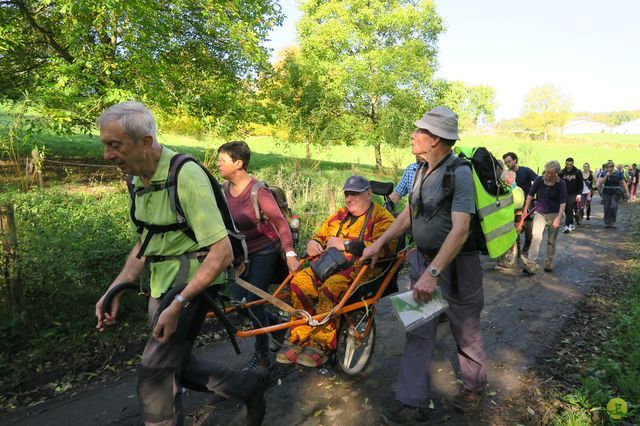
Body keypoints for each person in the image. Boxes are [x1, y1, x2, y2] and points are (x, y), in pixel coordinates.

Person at [94, 102, 268, 426]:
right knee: (178, 365)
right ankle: (248, 385)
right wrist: (114, 288)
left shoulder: (185, 175)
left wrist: (178, 303)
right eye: (105, 145)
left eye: (114, 145)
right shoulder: (135, 181)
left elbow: (222, 253)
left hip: (195, 282)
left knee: (154, 375)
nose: (106, 155)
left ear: (145, 142)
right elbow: (143, 244)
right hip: (160, 286)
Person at [362, 106, 488, 424]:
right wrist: (381, 242)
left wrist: (434, 273)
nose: (413, 135)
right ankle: (411, 401)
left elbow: (460, 229)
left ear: (434, 139)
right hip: (422, 261)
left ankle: (473, 387)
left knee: (466, 330)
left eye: (418, 131)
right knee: (418, 330)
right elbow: (408, 214)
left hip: (458, 268)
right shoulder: (419, 170)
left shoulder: (459, 174)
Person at [275, 175, 395, 367]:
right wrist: (313, 242)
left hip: (361, 269)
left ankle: (322, 344)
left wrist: (346, 244)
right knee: (299, 282)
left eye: (355, 194)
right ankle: (299, 336)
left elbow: (385, 247)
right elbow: (320, 236)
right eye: (347, 194)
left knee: (331, 288)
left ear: (369, 193)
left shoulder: (382, 217)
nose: (349, 199)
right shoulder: (339, 215)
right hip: (328, 265)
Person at [217, 140, 300, 370]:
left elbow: (281, 223)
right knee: (237, 304)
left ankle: (262, 356)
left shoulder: (258, 192)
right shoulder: (223, 191)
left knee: (253, 303)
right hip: (240, 255)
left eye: (222, 161)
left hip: (265, 250)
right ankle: (278, 326)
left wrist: (290, 254)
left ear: (238, 163)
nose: (218, 165)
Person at [522, 160, 567, 273]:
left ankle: (549, 260)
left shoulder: (561, 183)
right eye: (547, 172)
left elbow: (563, 202)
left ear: (556, 173)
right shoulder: (539, 180)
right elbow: (530, 195)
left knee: (551, 239)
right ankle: (531, 263)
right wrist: (525, 209)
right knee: (536, 236)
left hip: (555, 213)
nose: (548, 175)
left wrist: (559, 217)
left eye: (552, 173)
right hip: (540, 212)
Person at [502, 152, 538, 254]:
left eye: (509, 161)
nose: (508, 164)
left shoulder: (525, 171)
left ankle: (528, 241)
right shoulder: (506, 174)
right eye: (506, 163)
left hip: (527, 201)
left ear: (515, 160)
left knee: (527, 224)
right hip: (512, 204)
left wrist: (534, 194)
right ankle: (516, 249)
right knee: (515, 227)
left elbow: (537, 181)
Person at [597, 162, 630, 228]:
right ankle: (607, 222)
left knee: (614, 206)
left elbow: (623, 182)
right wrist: (606, 175)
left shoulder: (618, 173)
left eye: (609, 167)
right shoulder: (604, 173)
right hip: (606, 192)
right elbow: (600, 182)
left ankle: (613, 222)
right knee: (606, 207)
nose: (608, 169)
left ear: (612, 167)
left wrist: (627, 192)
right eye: (607, 167)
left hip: (616, 192)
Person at [558, 157, 583, 233]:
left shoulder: (577, 172)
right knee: (566, 209)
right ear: (565, 164)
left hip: (573, 193)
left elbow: (580, 184)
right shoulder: (562, 172)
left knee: (569, 208)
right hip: (564, 193)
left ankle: (566, 226)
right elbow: (558, 183)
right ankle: (571, 223)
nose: (569, 166)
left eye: (570, 164)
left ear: (572, 164)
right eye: (567, 164)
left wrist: (579, 194)